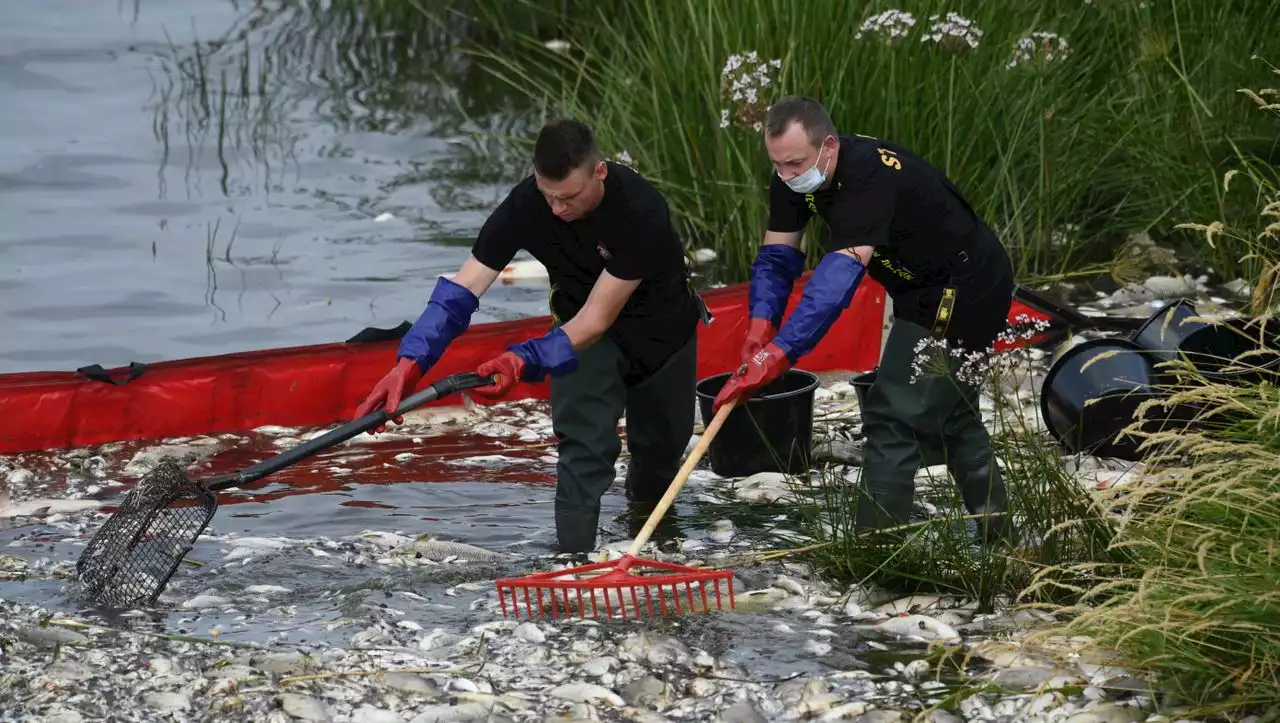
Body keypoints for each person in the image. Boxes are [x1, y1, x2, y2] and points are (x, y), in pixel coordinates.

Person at [354, 119, 707, 554]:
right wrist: (409, 364)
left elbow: (599, 316)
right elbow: (460, 292)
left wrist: (520, 360)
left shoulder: (640, 211)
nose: (557, 209)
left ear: (598, 172)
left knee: (659, 457)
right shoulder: (527, 204)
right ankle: (572, 563)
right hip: (584, 340)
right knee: (583, 449)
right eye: (549, 195)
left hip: (662, 337)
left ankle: (654, 546)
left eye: (569, 197)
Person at [712, 95, 1015, 541]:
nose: (787, 176)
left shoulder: (868, 177)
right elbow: (777, 258)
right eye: (778, 165)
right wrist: (760, 327)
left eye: (795, 164)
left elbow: (835, 284)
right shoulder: (793, 175)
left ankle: (877, 551)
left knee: (893, 415)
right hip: (915, 288)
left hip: (967, 285)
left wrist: (780, 354)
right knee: (953, 415)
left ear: (828, 146)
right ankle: (1000, 537)